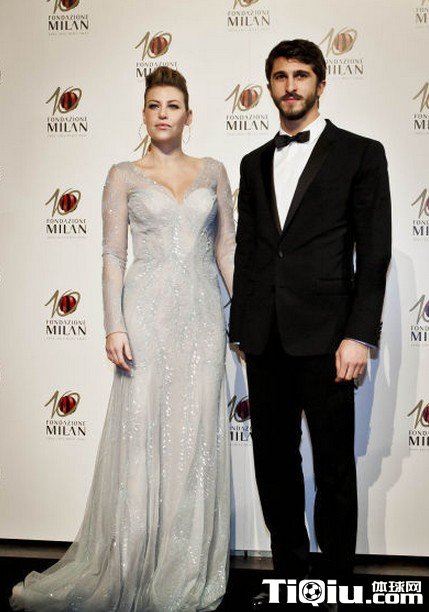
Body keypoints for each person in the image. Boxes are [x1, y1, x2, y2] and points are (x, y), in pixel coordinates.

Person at [10, 67, 235, 612]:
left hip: (203, 316)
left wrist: (246, 319)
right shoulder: (123, 175)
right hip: (146, 316)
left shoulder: (214, 171)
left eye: (173, 105)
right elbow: (113, 254)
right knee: (142, 438)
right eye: (154, 105)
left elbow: (227, 248)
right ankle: (133, 565)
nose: (163, 114)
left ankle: (183, 570)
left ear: (188, 114)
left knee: (196, 439)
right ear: (144, 114)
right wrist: (114, 323)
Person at [229, 39, 391, 607]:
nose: (290, 85)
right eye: (280, 76)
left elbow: (374, 252)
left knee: (334, 469)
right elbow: (250, 251)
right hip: (265, 339)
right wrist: (242, 330)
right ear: (269, 86)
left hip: (329, 340)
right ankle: (291, 581)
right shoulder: (252, 163)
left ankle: (337, 585)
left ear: (321, 83)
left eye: (301, 75)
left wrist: (360, 334)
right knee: (274, 468)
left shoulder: (361, 153)